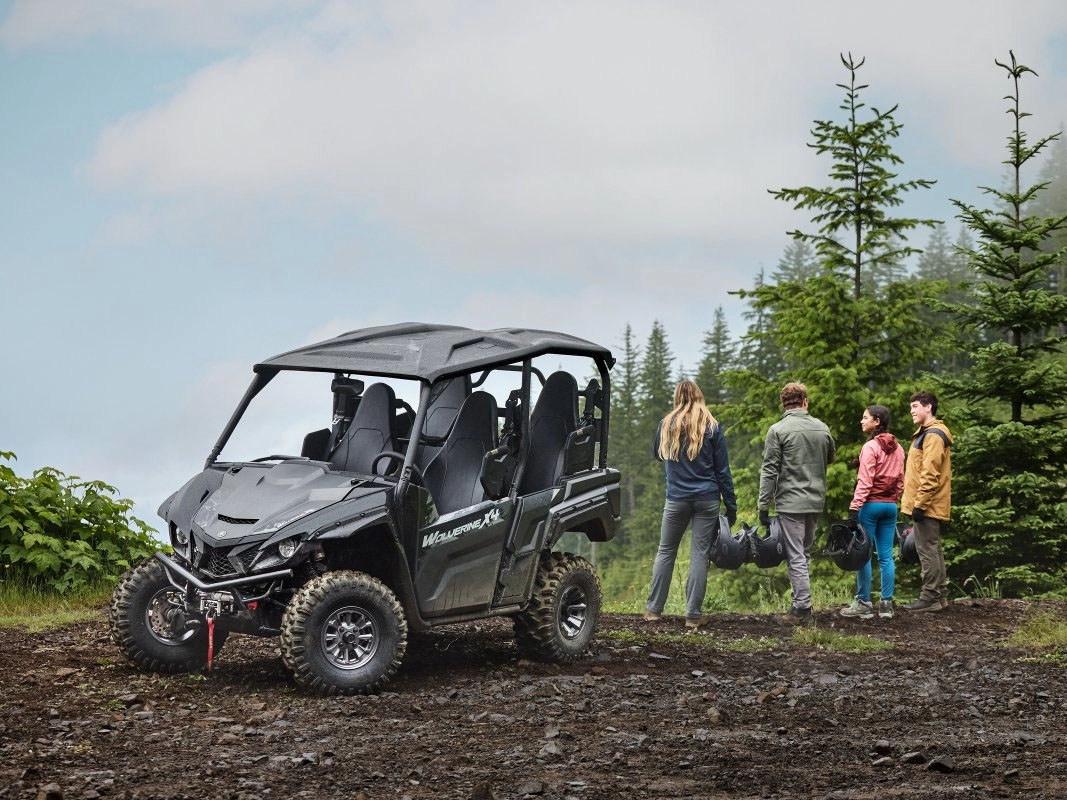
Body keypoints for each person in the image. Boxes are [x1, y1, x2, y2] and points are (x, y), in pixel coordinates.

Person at [644, 380, 736, 629]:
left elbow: (657, 454)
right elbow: (723, 470)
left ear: (677, 397)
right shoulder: (711, 425)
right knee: (699, 554)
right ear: (699, 396)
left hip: (676, 499)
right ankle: (692, 616)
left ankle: (653, 611)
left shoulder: (666, 424)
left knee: (666, 551)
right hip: (707, 498)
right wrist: (731, 505)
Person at [757, 382, 836, 623]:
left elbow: (769, 470)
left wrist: (763, 505)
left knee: (795, 554)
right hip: (815, 500)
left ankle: (802, 608)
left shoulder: (778, 430)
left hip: (791, 501)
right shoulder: (822, 428)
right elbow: (830, 457)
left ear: (784, 403)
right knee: (804, 551)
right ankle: (801, 601)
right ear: (805, 401)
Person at [839, 405, 904, 620]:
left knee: (863, 555)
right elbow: (901, 481)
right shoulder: (899, 448)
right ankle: (886, 605)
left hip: (870, 505)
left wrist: (854, 508)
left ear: (877, 421)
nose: (861, 421)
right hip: (890, 506)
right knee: (886, 556)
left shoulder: (870, 447)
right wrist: (893, 499)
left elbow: (865, 481)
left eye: (865, 417)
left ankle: (864, 602)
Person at [900, 391, 953, 612]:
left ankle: (930, 597)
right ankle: (939, 596)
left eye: (915, 406)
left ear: (928, 407)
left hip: (927, 503)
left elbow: (930, 474)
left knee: (927, 550)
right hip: (928, 502)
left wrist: (919, 505)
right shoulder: (927, 434)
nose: (911, 411)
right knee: (933, 549)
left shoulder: (932, 435)